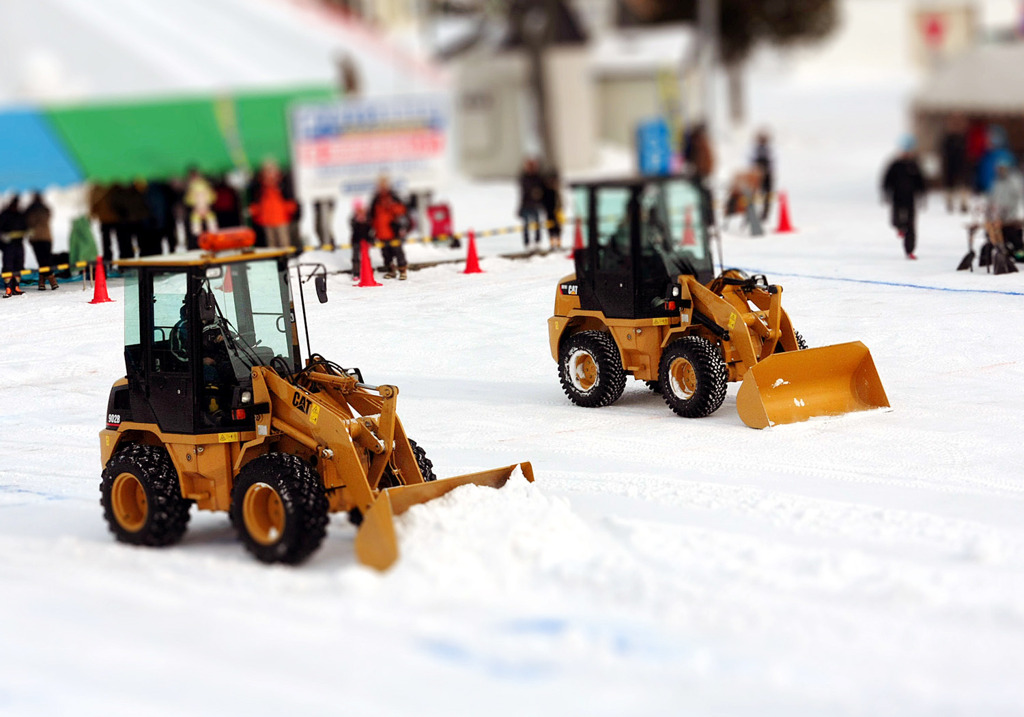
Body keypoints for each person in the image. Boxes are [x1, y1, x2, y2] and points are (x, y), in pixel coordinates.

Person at [881, 136, 927, 260]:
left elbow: (921, 181)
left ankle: (909, 251)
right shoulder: (895, 164)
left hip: (911, 198)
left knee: (911, 225)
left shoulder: (914, 165)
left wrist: (922, 194)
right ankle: (901, 228)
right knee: (895, 220)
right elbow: (886, 180)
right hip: (897, 197)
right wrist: (885, 193)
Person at [248, 159, 298, 250]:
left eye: (271, 171)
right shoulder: (259, 186)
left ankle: (287, 258)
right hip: (267, 218)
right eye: (267, 171)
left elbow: (289, 198)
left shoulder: (282, 183)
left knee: (284, 241)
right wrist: (255, 210)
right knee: (271, 243)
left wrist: (291, 208)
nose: (270, 174)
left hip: (281, 217)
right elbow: (256, 201)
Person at [368, 175, 409, 280]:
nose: (382, 187)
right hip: (380, 231)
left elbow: (402, 210)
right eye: (380, 185)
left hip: (392, 230)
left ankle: (402, 270)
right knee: (385, 252)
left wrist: (391, 206)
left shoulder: (393, 196)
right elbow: (371, 214)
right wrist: (372, 228)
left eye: (384, 184)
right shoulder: (376, 198)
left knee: (398, 251)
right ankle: (391, 270)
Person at [987, 159, 1024, 254]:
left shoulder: (1014, 181)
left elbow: (1019, 196)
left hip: (1012, 217)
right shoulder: (996, 182)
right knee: (994, 237)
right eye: (999, 169)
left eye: (1002, 169)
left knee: (1015, 239)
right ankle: (1004, 253)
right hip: (999, 218)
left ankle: (1019, 255)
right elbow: (992, 198)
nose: (1000, 171)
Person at [682, 122, 716, 227]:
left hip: (700, 173)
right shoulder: (700, 141)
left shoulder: (697, 141)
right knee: (703, 195)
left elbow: (700, 159)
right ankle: (708, 219)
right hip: (701, 173)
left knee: (702, 196)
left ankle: (706, 219)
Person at [24, 192, 59, 290]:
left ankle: (43, 281)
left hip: (36, 238)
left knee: (42, 260)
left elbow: (28, 222)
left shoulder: (30, 210)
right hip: (46, 237)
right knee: (45, 259)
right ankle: (51, 280)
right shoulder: (45, 209)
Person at [939, 115, 969, 213]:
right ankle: (949, 202)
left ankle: (963, 203)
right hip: (950, 165)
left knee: (963, 184)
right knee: (950, 184)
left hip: (961, 164)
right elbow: (943, 152)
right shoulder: (947, 139)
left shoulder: (963, 138)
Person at [0, 196, 27, 297]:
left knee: (19, 265)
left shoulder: (20, 215)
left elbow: (25, 226)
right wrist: (3, 237)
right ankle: (8, 288)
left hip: (19, 244)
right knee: (8, 266)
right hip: (8, 246)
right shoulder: (4, 214)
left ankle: (16, 287)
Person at [184, 166, 218, 246]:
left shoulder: (202, 186)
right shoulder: (192, 187)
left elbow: (211, 197)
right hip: (198, 210)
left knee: (210, 225)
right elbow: (189, 200)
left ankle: (210, 240)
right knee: (197, 228)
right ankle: (201, 241)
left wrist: (204, 205)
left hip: (204, 209)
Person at [517, 158, 545, 251]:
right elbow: (524, 192)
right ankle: (527, 243)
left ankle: (537, 242)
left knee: (537, 224)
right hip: (526, 205)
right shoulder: (524, 177)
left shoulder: (538, 177)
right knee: (526, 225)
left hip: (536, 205)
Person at [88, 182, 120, 262]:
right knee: (118, 242)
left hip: (107, 218)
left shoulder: (96, 188)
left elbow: (93, 203)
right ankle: (114, 261)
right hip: (114, 218)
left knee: (107, 243)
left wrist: (92, 214)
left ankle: (108, 261)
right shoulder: (114, 185)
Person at [751, 130, 774, 221]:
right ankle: (754, 214)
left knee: (767, 194)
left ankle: (765, 214)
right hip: (757, 174)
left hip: (767, 174)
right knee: (754, 194)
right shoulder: (755, 149)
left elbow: (773, 163)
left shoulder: (770, 149)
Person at [349, 199, 371, 282]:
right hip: (356, 240)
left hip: (366, 239)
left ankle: (367, 271)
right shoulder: (354, 219)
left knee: (365, 256)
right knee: (355, 257)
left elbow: (370, 229)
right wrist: (357, 221)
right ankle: (356, 273)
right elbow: (352, 227)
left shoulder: (368, 218)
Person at [542, 168, 563, 251]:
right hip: (549, 210)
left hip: (557, 210)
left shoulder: (556, 189)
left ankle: (558, 243)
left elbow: (559, 200)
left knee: (558, 227)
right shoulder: (547, 190)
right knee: (551, 227)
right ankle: (552, 243)